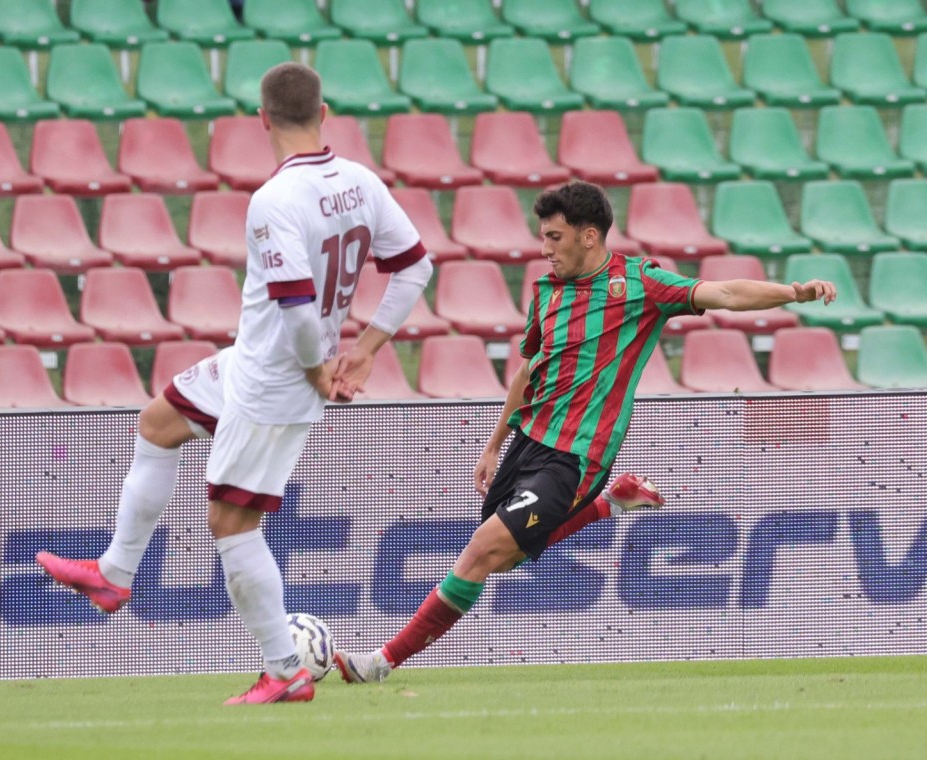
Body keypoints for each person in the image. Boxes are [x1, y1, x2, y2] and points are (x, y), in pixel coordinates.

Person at [36, 62, 432, 704]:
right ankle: (113, 573)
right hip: (254, 361)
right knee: (158, 423)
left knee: (232, 525)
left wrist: (318, 369)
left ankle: (284, 671)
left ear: (263, 119)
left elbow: (301, 314)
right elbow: (417, 268)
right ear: (324, 113)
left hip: (276, 382)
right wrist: (365, 349)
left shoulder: (275, 201)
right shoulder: (359, 181)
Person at [334, 180, 838, 684]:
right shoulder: (545, 293)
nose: (544, 248)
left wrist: (792, 293)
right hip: (528, 442)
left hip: (575, 455)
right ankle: (614, 503)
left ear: (589, 236)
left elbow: (724, 292)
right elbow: (530, 372)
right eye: (543, 237)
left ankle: (379, 663)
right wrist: (493, 444)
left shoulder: (639, 284)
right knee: (501, 561)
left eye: (555, 237)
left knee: (482, 551)